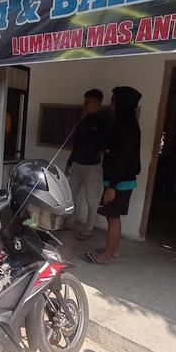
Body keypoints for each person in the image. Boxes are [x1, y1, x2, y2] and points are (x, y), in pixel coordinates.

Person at [85, 86, 142, 264]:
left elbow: (122, 159)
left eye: (113, 100)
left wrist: (112, 187)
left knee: (113, 218)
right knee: (113, 217)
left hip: (119, 182)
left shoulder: (127, 126)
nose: (110, 104)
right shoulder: (124, 123)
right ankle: (112, 250)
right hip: (119, 180)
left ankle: (107, 255)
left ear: (122, 103)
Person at [65, 89, 110, 240]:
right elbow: (76, 144)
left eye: (87, 101)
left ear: (96, 102)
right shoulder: (84, 120)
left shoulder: (104, 120)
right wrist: (69, 163)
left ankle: (88, 229)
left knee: (92, 198)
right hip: (77, 163)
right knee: (70, 194)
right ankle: (70, 222)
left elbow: (106, 143)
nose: (85, 104)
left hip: (92, 166)